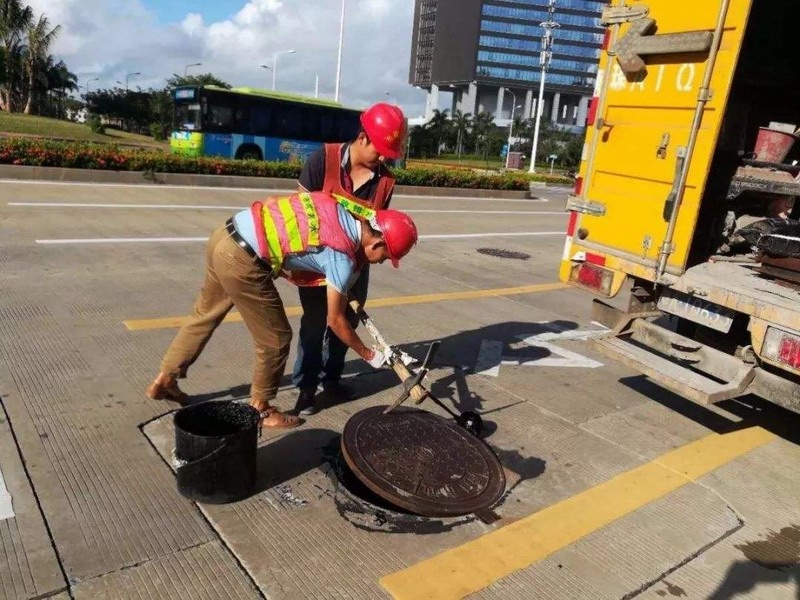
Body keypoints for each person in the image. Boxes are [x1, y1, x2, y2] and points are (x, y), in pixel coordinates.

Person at [146, 191, 418, 429]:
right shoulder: (342, 257)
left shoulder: (334, 206)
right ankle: (261, 409)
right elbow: (335, 320)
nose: (381, 263)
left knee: (204, 314)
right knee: (275, 338)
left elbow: (273, 201)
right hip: (243, 259)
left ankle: (165, 378)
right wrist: (369, 354)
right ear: (376, 243)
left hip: (227, 234)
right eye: (386, 257)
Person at [289, 102, 407, 416]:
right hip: (315, 260)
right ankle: (306, 388)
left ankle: (332, 380)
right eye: (380, 151)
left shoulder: (384, 182)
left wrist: (353, 267)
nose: (383, 159)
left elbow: (377, 230)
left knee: (346, 321)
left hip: (356, 264)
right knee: (315, 323)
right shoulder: (323, 159)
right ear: (362, 137)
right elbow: (299, 213)